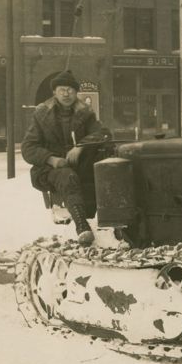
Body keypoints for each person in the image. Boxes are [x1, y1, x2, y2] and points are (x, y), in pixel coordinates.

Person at [21, 70, 111, 245]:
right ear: (54, 92)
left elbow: (103, 133)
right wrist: (51, 159)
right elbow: (28, 147)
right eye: (62, 89)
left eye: (70, 90)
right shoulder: (41, 114)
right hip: (48, 170)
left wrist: (80, 147)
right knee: (67, 176)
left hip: (78, 166)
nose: (66, 94)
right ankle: (82, 226)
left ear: (77, 93)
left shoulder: (85, 113)